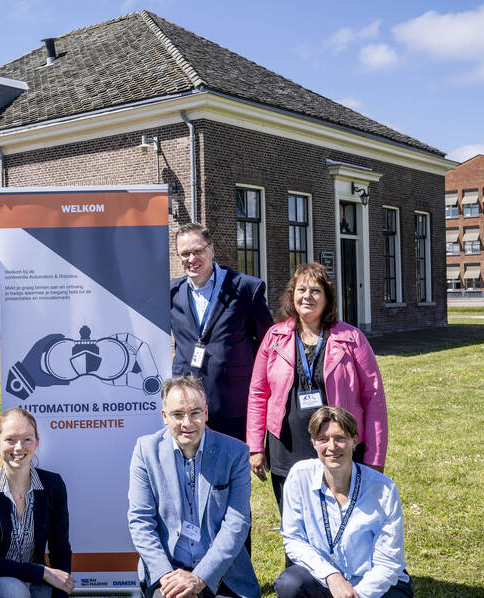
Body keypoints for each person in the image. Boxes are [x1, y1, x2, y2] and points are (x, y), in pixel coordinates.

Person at [246, 262, 388, 513]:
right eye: (301, 290)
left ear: (327, 297)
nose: (307, 296)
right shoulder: (274, 337)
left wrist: (375, 458)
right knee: (294, 523)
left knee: (340, 520)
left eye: (315, 291)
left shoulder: (352, 339)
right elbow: (258, 393)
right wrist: (256, 446)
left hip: (337, 448)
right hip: (287, 448)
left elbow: (373, 399)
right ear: (292, 295)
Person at [128, 375, 260, 598]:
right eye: (178, 415)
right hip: (168, 572)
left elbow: (237, 524)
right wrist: (166, 576)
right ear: (165, 417)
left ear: (206, 413)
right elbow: (140, 521)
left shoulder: (235, 453)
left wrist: (200, 577)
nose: (187, 423)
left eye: (195, 413)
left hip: (222, 574)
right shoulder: (145, 451)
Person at [275, 407, 413, 598]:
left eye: (340, 438)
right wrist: (331, 576)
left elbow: (388, 563)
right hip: (325, 579)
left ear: (354, 440)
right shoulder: (300, 476)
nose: (332, 447)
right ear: (313, 443)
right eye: (323, 439)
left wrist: (357, 595)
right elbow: (294, 539)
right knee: (290, 584)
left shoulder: (383, 490)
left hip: (375, 583)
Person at [170, 222, 273, 442]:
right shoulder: (171, 292)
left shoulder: (245, 288)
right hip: (187, 407)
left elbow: (268, 343)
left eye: (197, 251)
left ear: (211, 250)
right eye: (185, 254)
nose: (191, 259)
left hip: (232, 403)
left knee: (232, 461)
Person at [0, 408, 73, 598]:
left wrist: (60, 590)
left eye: (27, 439)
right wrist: (42, 572)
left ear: (37, 442)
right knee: (14, 590)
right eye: (10, 440)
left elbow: (61, 549)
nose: (19, 447)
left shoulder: (53, 485)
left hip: (36, 580)